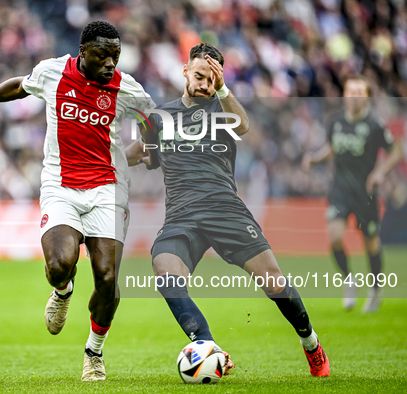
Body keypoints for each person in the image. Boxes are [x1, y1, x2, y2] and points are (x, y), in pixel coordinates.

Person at [0, 21, 154, 381]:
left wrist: (144, 150)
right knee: (60, 264)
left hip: (108, 189)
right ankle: (63, 290)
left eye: (115, 57)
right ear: (83, 51)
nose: (110, 64)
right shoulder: (53, 71)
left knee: (107, 278)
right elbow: (19, 87)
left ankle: (94, 352)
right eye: (102, 55)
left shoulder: (126, 87)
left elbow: (154, 121)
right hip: (61, 186)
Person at [126, 43, 330, 377]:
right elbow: (141, 151)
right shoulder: (158, 118)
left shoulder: (221, 111)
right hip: (181, 216)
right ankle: (207, 346)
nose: (205, 84)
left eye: (212, 80)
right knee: (165, 271)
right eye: (200, 76)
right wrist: (108, 156)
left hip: (225, 209)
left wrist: (223, 89)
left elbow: (243, 125)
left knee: (274, 282)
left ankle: (311, 344)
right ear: (185, 72)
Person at [302, 75, 403, 313]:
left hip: (365, 192)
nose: (354, 96)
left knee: (371, 244)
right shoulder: (335, 121)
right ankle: (349, 281)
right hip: (340, 189)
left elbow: (396, 151)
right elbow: (332, 149)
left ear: (367, 97)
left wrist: (379, 172)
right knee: (335, 237)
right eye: (351, 91)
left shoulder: (375, 125)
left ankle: (375, 290)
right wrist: (316, 158)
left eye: (360, 92)